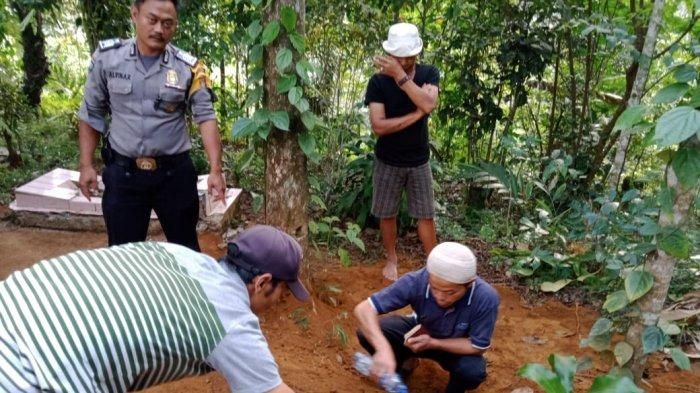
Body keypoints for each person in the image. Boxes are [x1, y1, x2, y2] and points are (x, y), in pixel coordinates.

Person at [0, 225, 307, 393]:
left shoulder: (179, 255)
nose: (281, 301)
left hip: (11, 305)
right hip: (29, 374)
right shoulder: (230, 321)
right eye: (283, 291)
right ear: (263, 281)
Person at [77, 0, 225, 251]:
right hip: (124, 175)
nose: (159, 29)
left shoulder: (189, 67)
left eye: (167, 23)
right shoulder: (107, 59)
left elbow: (205, 116)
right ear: (135, 15)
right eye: (152, 20)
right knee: (123, 254)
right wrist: (86, 165)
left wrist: (216, 169)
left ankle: (185, 292)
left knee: (186, 252)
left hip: (174, 176)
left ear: (175, 25)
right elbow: (92, 113)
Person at [354, 242, 500, 392]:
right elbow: (364, 309)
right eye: (435, 288)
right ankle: (397, 372)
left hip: (456, 348)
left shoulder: (485, 298)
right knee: (367, 333)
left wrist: (434, 343)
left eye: (450, 292)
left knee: (472, 371)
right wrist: (383, 349)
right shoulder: (416, 281)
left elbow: (477, 346)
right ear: (429, 276)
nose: (440, 297)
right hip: (419, 334)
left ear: (469, 284)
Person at [365, 22, 440, 281]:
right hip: (388, 160)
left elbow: (428, 102)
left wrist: (401, 76)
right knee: (387, 213)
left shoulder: (429, 73)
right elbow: (378, 125)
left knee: (425, 214)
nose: (405, 60)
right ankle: (391, 259)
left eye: (410, 56)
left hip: (419, 160)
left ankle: (435, 264)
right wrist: (417, 114)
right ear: (390, 54)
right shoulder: (377, 83)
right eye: (400, 57)